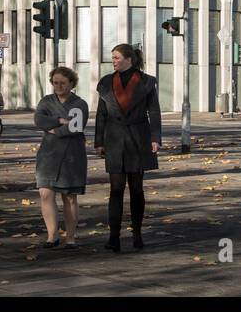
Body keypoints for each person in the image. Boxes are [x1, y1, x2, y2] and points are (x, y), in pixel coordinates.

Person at [94, 43, 161, 252]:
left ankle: (137, 233)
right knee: (115, 189)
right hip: (114, 139)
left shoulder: (147, 82)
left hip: (138, 138)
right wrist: (99, 141)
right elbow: (101, 114)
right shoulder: (105, 83)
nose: (113, 61)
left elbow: (154, 111)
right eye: (112, 58)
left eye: (116, 57)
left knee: (137, 189)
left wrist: (155, 138)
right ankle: (113, 237)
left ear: (128, 59)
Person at [34, 66, 89, 249]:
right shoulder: (46, 101)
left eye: (63, 83)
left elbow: (74, 128)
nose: (58, 86)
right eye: (55, 83)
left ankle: (71, 237)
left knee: (69, 197)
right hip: (48, 155)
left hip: (71, 156)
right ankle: (52, 236)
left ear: (71, 84)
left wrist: (52, 129)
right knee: (45, 193)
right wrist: (58, 121)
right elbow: (39, 121)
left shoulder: (80, 104)